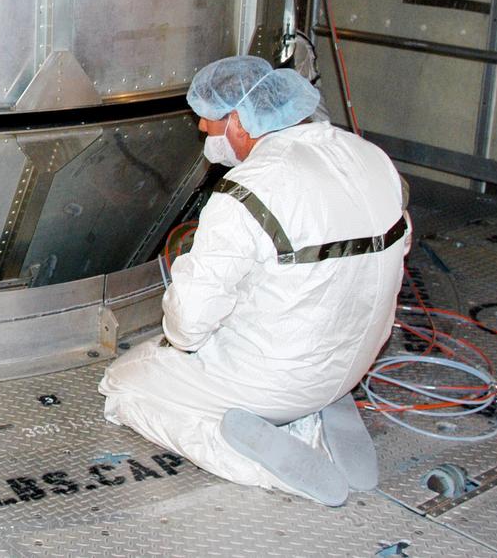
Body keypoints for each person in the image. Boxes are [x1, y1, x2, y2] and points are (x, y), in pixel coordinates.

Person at [98, 55, 409, 506]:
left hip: (273, 378)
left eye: (208, 122)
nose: (204, 133)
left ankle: (268, 460)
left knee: (125, 383)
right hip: (354, 357)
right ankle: (316, 411)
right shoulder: (367, 155)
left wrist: (186, 288)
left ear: (240, 122)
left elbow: (188, 326)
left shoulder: (247, 190)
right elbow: (395, 251)